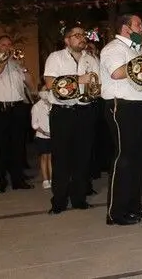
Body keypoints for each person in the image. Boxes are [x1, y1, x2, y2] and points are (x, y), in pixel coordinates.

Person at [100, 14, 142, 226]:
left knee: (139, 160)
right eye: (138, 25)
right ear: (126, 28)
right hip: (122, 106)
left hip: (140, 106)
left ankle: (134, 206)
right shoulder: (113, 48)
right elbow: (116, 73)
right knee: (124, 159)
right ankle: (116, 212)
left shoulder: (135, 49)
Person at [44, 26, 100, 214]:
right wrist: (78, 80)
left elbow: (97, 84)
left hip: (85, 111)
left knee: (83, 158)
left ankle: (79, 198)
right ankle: (59, 201)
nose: (82, 38)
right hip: (62, 112)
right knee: (61, 158)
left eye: (83, 35)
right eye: (77, 35)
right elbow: (50, 83)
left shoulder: (91, 59)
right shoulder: (55, 57)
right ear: (67, 40)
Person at [0, 35, 35, 193]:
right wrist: (5, 59)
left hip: (18, 107)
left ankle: (18, 180)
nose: (7, 47)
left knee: (18, 146)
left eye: (9, 44)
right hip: (1, 108)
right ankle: (0, 181)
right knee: (0, 146)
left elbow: (30, 84)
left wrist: (23, 66)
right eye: (3, 45)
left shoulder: (16, 65)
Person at [31, 87, 52, 190]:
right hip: (42, 136)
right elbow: (34, 124)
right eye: (43, 91)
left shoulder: (53, 104)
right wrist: (43, 132)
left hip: (52, 136)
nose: (45, 93)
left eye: (47, 90)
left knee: (51, 157)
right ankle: (45, 179)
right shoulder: (36, 107)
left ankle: (52, 178)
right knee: (44, 157)